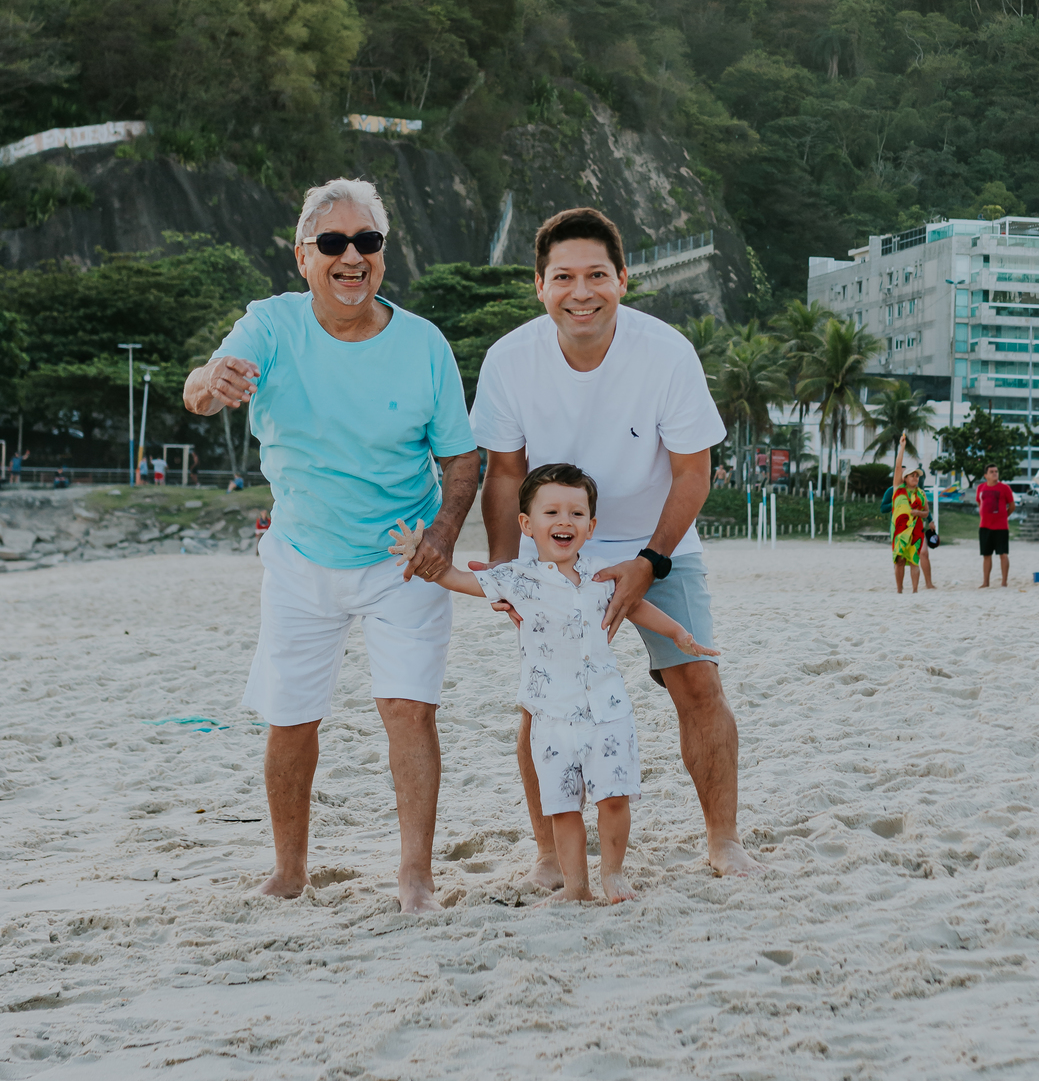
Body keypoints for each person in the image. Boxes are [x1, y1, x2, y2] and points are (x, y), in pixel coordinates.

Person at [182, 176, 478, 908]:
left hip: (401, 558)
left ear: (384, 253)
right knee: (292, 718)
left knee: (408, 709)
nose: (352, 257)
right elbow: (196, 389)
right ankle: (289, 871)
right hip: (301, 556)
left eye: (367, 242)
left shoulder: (424, 345)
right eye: (334, 244)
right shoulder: (270, 326)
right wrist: (211, 379)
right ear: (303, 256)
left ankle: (415, 875)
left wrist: (443, 535)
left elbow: (463, 457)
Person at [468, 205, 759, 884]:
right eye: (563, 277)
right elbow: (505, 472)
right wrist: (513, 572)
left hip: (660, 541)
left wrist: (650, 561)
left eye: (597, 274)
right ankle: (549, 855)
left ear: (623, 279)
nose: (581, 292)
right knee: (545, 701)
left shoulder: (664, 353)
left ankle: (723, 840)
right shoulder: (510, 361)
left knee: (699, 683)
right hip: (557, 546)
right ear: (539, 286)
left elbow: (692, 472)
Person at [391, 463, 717, 903]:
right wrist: (419, 556)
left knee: (614, 800)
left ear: (591, 525)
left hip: (607, 711)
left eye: (577, 514)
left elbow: (637, 608)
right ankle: (577, 887)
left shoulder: (605, 575)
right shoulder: (516, 579)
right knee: (563, 809)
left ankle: (614, 875)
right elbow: (454, 578)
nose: (565, 521)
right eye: (552, 513)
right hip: (551, 717)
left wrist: (679, 634)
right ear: (526, 524)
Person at [890, 434, 925, 593]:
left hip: (916, 529)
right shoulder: (898, 488)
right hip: (900, 530)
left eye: (917, 476)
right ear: (905, 478)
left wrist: (918, 512)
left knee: (914, 561)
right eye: (913, 475)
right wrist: (902, 447)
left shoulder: (921, 494)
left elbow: (927, 512)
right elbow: (898, 467)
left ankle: (915, 590)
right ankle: (899, 589)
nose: (916, 478)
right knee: (900, 560)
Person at [976, 462, 1014, 588]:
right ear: (985, 475)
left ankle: (1004, 582)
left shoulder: (1004, 488)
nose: (994, 474)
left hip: (1001, 527)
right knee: (986, 555)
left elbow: (1012, 506)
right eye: (991, 472)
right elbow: (979, 502)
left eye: (996, 471)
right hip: (985, 526)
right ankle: (986, 582)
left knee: (1003, 554)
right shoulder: (981, 488)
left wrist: (1003, 516)